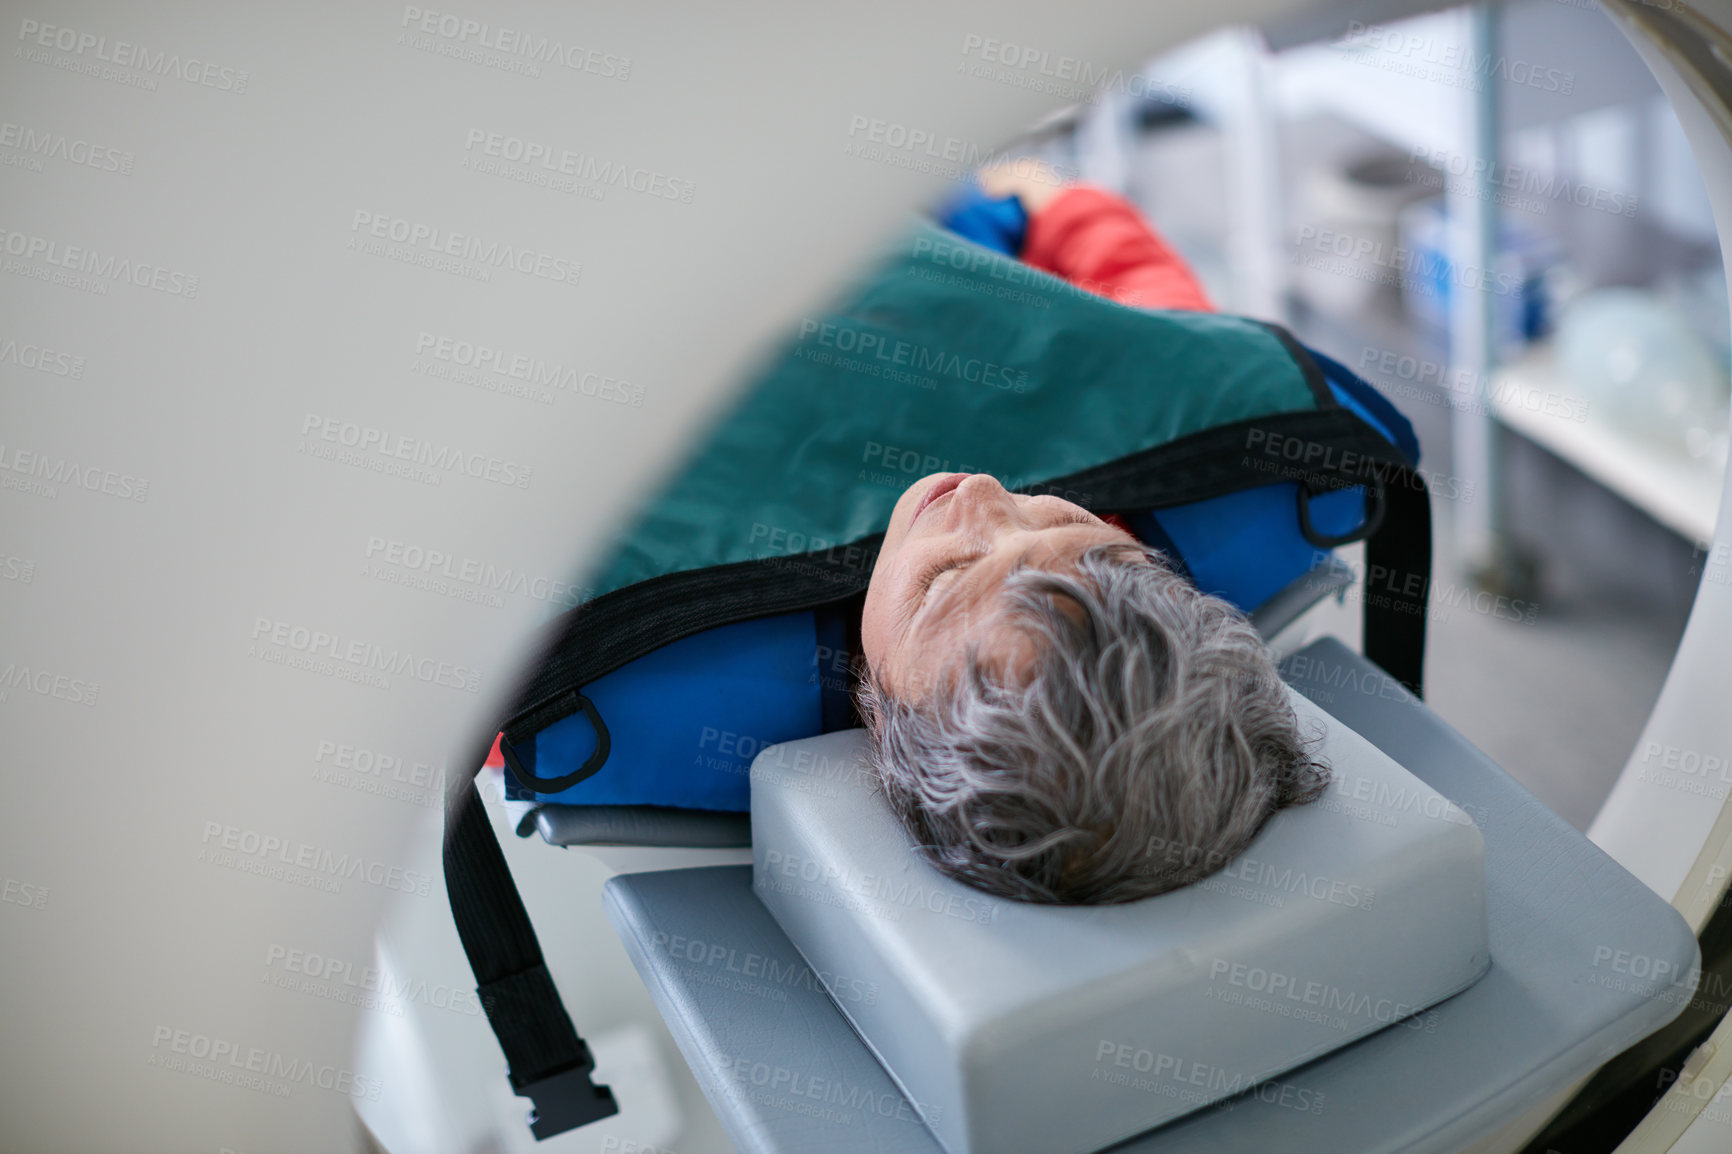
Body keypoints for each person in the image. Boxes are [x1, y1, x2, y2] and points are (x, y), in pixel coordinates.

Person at [852, 161, 1329, 906]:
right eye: (1068, 522)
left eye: (944, 577)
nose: (984, 493)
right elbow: (1142, 296)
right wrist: (1044, 196)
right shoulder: (1144, 492)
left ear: (878, 719)